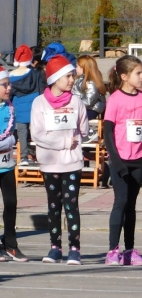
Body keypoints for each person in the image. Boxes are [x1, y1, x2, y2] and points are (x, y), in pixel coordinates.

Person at [30, 55, 88, 265]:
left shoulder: (76, 101)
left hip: (72, 162)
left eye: (73, 76)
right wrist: (64, 141)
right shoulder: (39, 103)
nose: (72, 80)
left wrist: (73, 141)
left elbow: (84, 129)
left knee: (71, 206)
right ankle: (55, 247)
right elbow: (38, 135)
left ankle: (75, 249)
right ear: (55, 78)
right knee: (53, 206)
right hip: (49, 162)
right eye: (68, 76)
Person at [103, 55, 142, 267]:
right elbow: (108, 133)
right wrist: (117, 163)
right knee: (120, 202)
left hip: (137, 158)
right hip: (119, 159)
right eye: (138, 73)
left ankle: (129, 250)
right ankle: (112, 250)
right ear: (124, 76)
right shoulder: (115, 99)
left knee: (131, 205)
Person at [0, 66, 29, 262]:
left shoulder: (10, 107)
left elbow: (13, 133)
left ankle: (10, 243)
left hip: (7, 163)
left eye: (9, 84)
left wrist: (10, 141)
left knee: (11, 203)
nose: (8, 88)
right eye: (4, 84)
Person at [9, 44, 46, 166]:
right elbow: (41, 90)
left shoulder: (11, 76)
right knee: (38, 132)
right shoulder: (35, 74)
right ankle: (43, 155)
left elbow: (9, 94)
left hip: (19, 109)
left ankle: (24, 157)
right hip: (34, 107)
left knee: (22, 133)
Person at [72, 55, 107, 129]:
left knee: (73, 119)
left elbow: (89, 101)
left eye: (77, 66)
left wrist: (75, 104)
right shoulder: (79, 79)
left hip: (91, 109)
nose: (76, 68)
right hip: (82, 107)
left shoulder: (91, 82)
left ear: (84, 68)